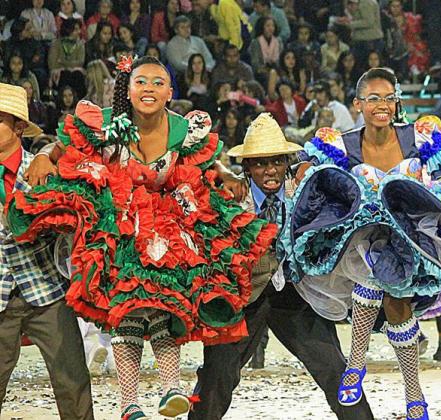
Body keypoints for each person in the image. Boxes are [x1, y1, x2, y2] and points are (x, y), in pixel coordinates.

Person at [10, 56, 276, 420]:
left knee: (164, 307)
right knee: (128, 313)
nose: (148, 88)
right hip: (118, 229)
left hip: (168, 229)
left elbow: (207, 163)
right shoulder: (105, 121)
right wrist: (42, 155)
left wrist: (227, 173)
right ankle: (128, 403)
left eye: (157, 82)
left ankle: (171, 388)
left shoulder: (184, 129)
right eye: (141, 81)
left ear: (169, 92)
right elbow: (62, 148)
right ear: (128, 88)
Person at [280, 68, 441, 420]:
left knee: (395, 299)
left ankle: (410, 389)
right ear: (358, 104)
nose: (383, 104)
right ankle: (360, 365)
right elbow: (316, 181)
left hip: (415, 233)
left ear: (397, 103)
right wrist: (298, 180)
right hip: (364, 237)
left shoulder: (421, 137)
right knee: (372, 269)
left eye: (389, 97)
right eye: (374, 98)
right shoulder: (339, 144)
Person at [190, 113, 375, 420]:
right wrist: (222, 170)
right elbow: (193, 160)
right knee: (217, 375)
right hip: (242, 300)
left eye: (276, 161)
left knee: (334, 369)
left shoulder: (304, 190)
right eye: (260, 163)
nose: (270, 170)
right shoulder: (231, 195)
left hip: (295, 295)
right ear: (247, 167)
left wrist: (302, 161)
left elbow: (326, 157)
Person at [0, 82, 94, 419]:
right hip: (0, 295)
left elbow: (80, 144)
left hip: (47, 291)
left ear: (20, 127)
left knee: (73, 384)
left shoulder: (45, 169)